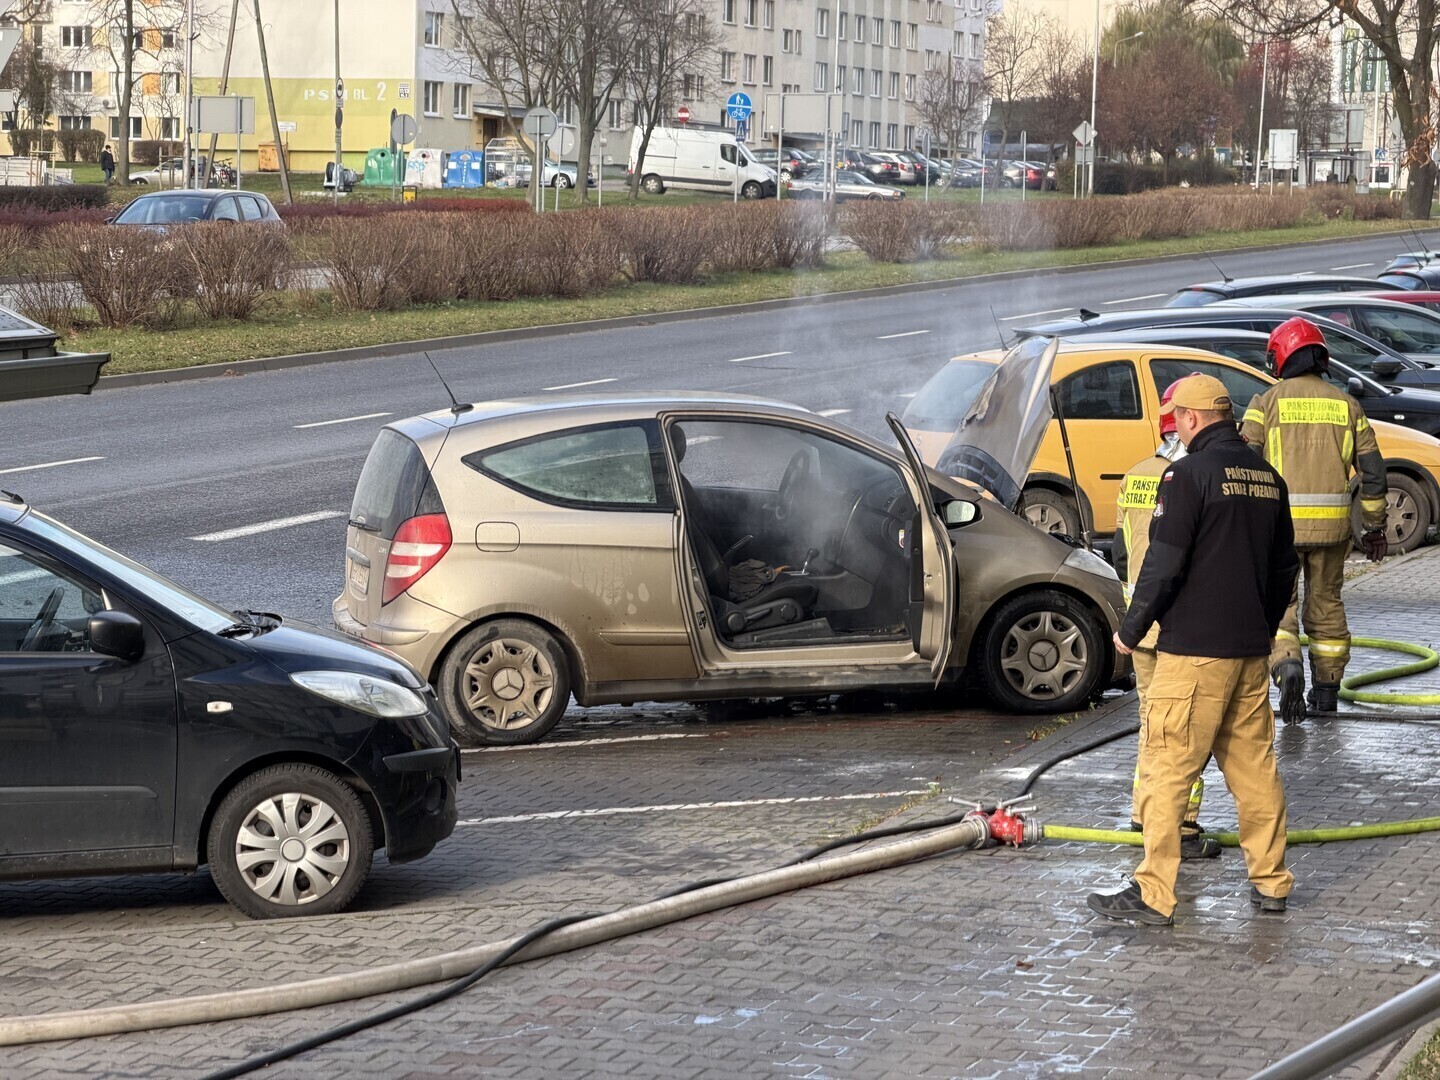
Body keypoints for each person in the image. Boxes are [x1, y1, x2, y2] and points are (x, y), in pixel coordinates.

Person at [1087, 374, 1300, 926]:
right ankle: (1271, 882)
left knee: (1166, 768)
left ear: (1190, 418)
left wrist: (1131, 630)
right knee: (1255, 771)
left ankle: (1154, 893)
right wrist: (1263, 625)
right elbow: (1284, 572)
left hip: (1191, 657)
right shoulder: (1268, 479)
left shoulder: (1186, 475)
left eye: (1177, 418)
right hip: (1248, 653)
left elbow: (1161, 563)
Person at [1240, 317, 1387, 721]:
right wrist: (1374, 527)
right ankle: (1326, 691)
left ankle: (1287, 665)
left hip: (1278, 532)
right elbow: (1373, 474)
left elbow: (1245, 465)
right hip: (1333, 531)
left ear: (1282, 357)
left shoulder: (1263, 404)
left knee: (1280, 607)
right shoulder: (1347, 405)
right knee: (1326, 604)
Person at [1113, 379, 1219, 862]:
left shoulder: (1134, 474)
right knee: (1185, 727)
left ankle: (1143, 812)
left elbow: (1119, 552)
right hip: (1177, 624)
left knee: (1150, 724)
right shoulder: (1193, 477)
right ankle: (1182, 826)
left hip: (1138, 623)